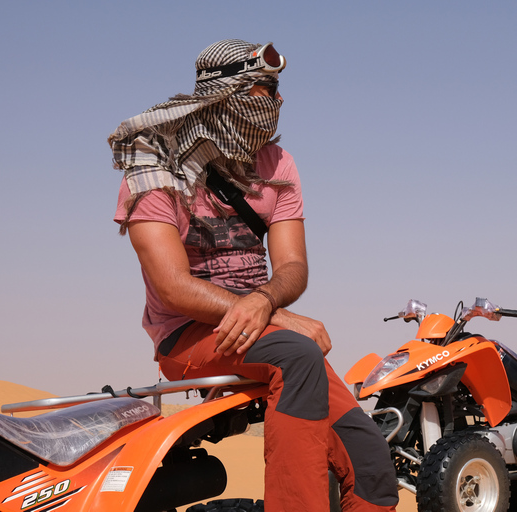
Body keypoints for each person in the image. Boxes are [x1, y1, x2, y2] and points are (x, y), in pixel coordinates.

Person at [108, 39, 398, 512]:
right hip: (189, 335)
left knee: (369, 461)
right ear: (229, 97)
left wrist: (265, 303)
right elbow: (172, 287)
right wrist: (276, 317)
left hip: (268, 333)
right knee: (296, 354)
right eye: (267, 90)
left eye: (278, 90)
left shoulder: (278, 166)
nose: (279, 102)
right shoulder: (155, 172)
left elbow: (292, 268)